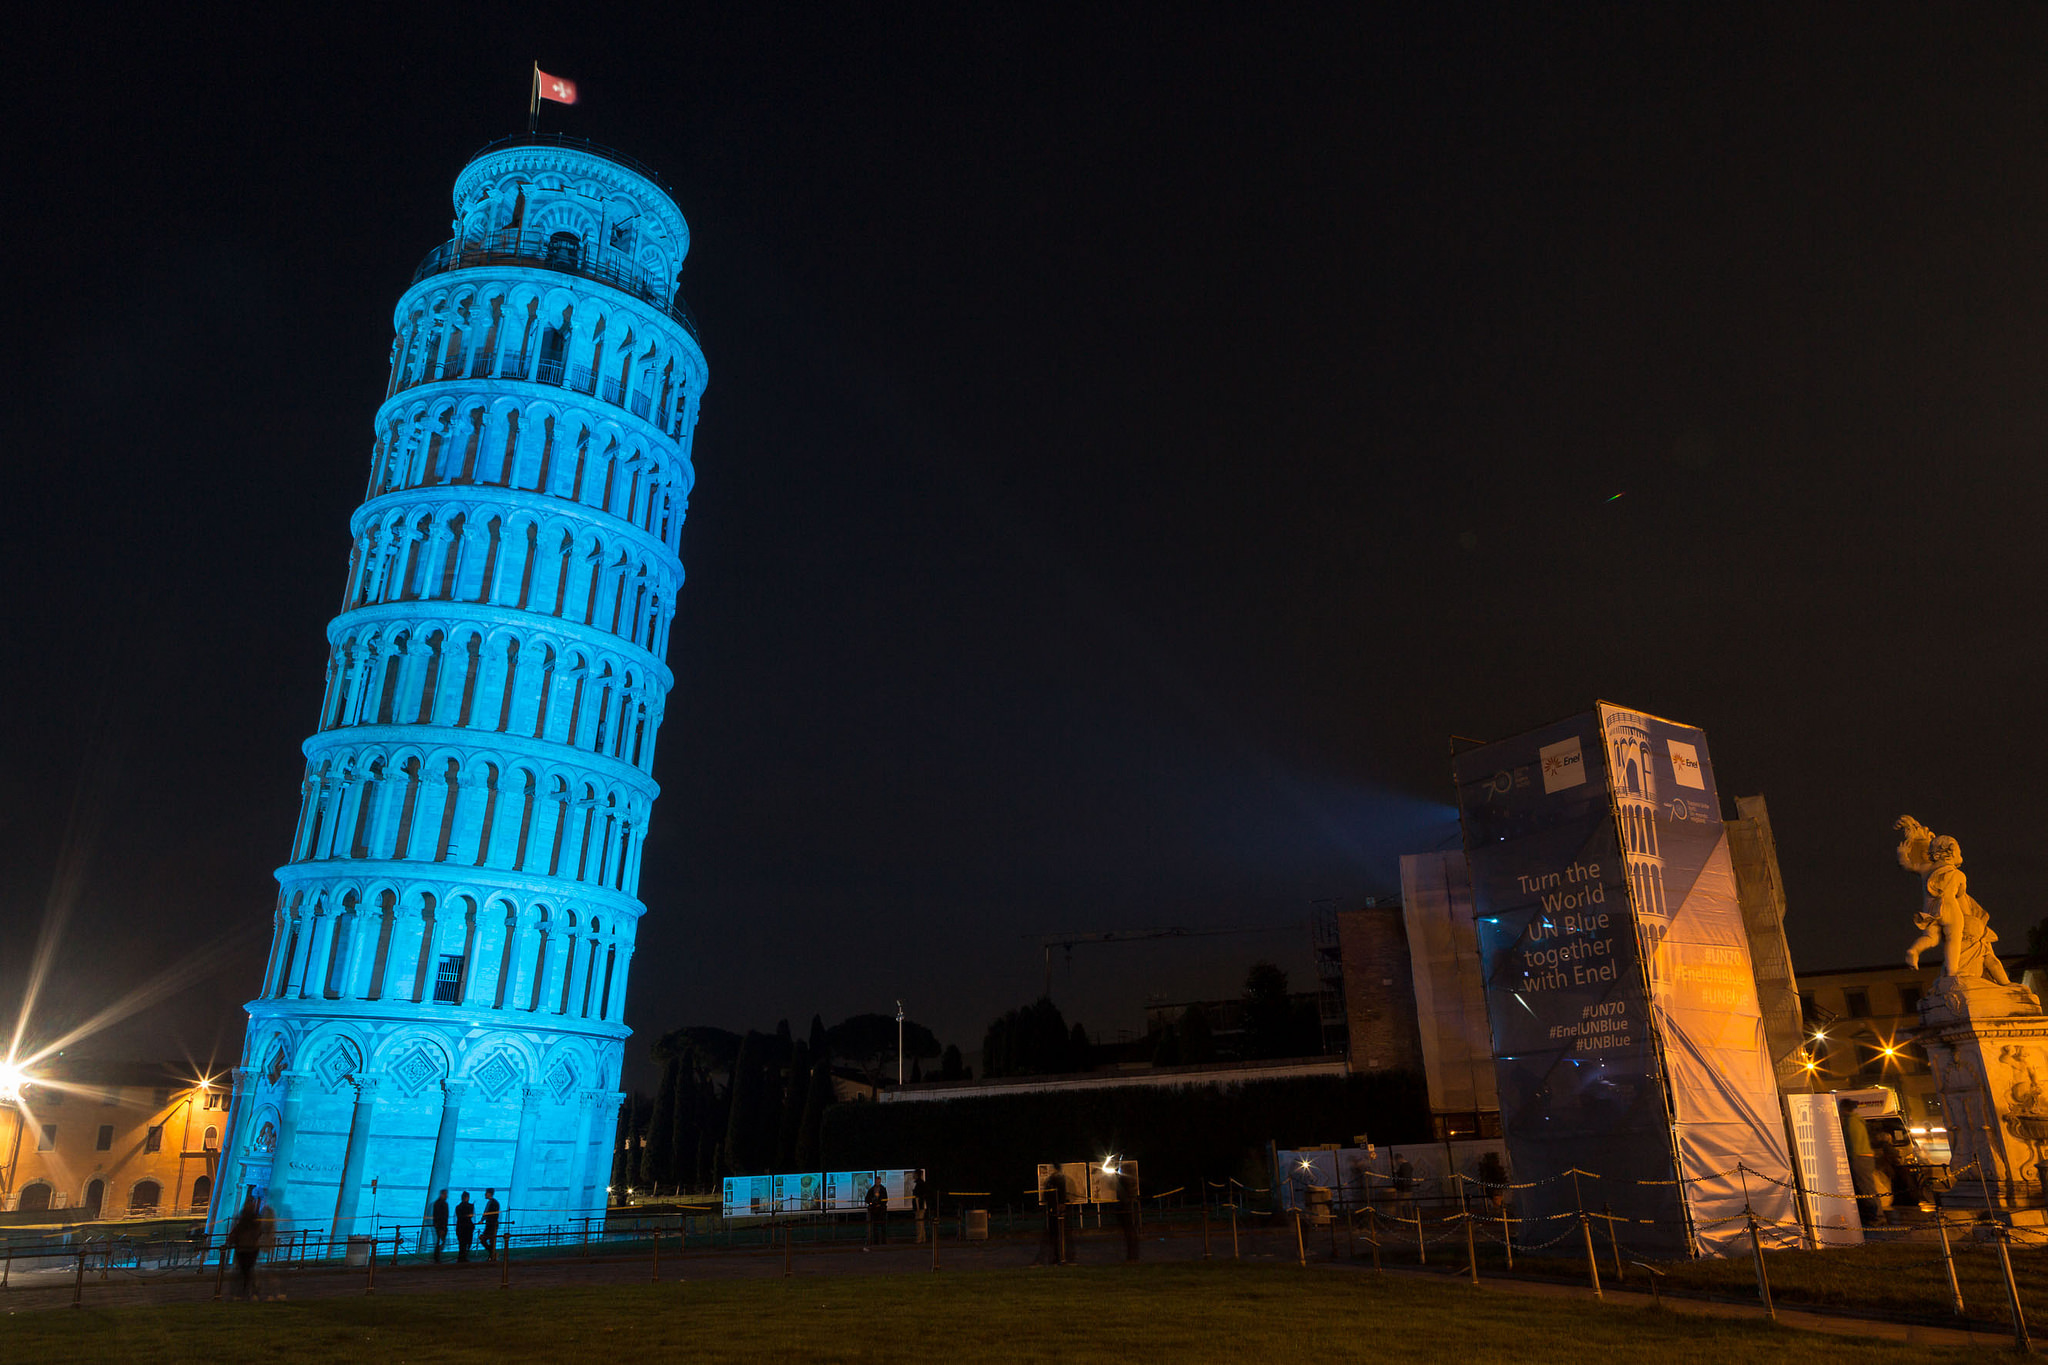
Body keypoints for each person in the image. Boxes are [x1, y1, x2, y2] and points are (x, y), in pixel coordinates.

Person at [1839, 1100, 1882, 1227]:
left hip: (1860, 1158)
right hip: (1864, 1157)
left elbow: (1853, 1142)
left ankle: (1877, 1217)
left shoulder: (1851, 1122)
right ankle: (1873, 1216)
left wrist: (1850, 1157)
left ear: (1843, 1109)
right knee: (1866, 1187)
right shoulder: (1856, 1120)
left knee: (1866, 1188)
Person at [227, 1193, 263, 1301]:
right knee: (247, 1270)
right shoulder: (255, 1218)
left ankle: (244, 1290)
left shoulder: (243, 1218)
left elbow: (236, 1231)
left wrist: (231, 1240)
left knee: (244, 1270)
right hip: (251, 1248)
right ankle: (250, 1290)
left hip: (243, 1247)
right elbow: (259, 1232)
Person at [1034, 1169, 1066, 1266]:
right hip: (1052, 1213)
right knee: (1053, 1237)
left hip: (1055, 1213)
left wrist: (1060, 1204)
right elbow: (1047, 1195)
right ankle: (1054, 1258)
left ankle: (1057, 1257)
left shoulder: (1056, 1183)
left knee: (1056, 1237)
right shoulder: (1052, 1183)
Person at [1115, 1168, 1140, 1262]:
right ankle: (1132, 1256)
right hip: (1125, 1206)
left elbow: (1123, 1194)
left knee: (1130, 1232)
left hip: (1125, 1207)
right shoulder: (1124, 1181)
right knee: (1129, 1232)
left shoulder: (1123, 1181)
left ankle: (1132, 1256)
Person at [864, 1173, 888, 1248]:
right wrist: (872, 1203)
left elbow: (885, 1199)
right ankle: (876, 1241)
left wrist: (880, 1204)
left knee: (883, 1226)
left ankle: (883, 1241)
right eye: (876, 1181)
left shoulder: (883, 1189)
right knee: (875, 1226)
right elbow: (867, 1199)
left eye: (879, 1181)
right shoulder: (871, 1190)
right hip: (874, 1210)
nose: (877, 1182)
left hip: (881, 1210)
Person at [911, 1168, 934, 1243]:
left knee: (919, 1223)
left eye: (914, 1174)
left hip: (920, 1206)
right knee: (921, 1223)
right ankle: (923, 1237)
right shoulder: (920, 1183)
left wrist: (917, 1206)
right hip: (920, 1206)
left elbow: (919, 1196)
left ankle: (919, 1238)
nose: (913, 1176)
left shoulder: (920, 1184)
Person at [455, 1190, 476, 1262]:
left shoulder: (458, 1207)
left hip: (460, 1227)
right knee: (467, 1243)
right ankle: (463, 1257)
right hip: (468, 1227)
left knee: (461, 1244)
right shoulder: (470, 1206)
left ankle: (461, 1257)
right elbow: (471, 1216)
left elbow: (459, 1217)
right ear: (467, 1198)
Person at [481, 1188, 501, 1261]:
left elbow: (487, 1213)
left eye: (486, 1192)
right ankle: (492, 1255)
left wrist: (482, 1220)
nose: (485, 1194)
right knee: (491, 1241)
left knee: (484, 1239)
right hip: (492, 1224)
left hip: (491, 1225)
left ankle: (492, 1254)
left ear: (489, 1193)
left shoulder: (492, 1203)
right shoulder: (495, 1202)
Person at [431, 1189, 449, 1263]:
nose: (446, 1196)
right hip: (441, 1226)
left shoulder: (438, 1203)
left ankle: (437, 1257)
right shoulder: (442, 1204)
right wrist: (441, 1227)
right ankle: (437, 1257)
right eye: (445, 1194)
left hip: (440, 1226)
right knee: (440, 1241)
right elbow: (441, 1217)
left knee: (439, 1242)